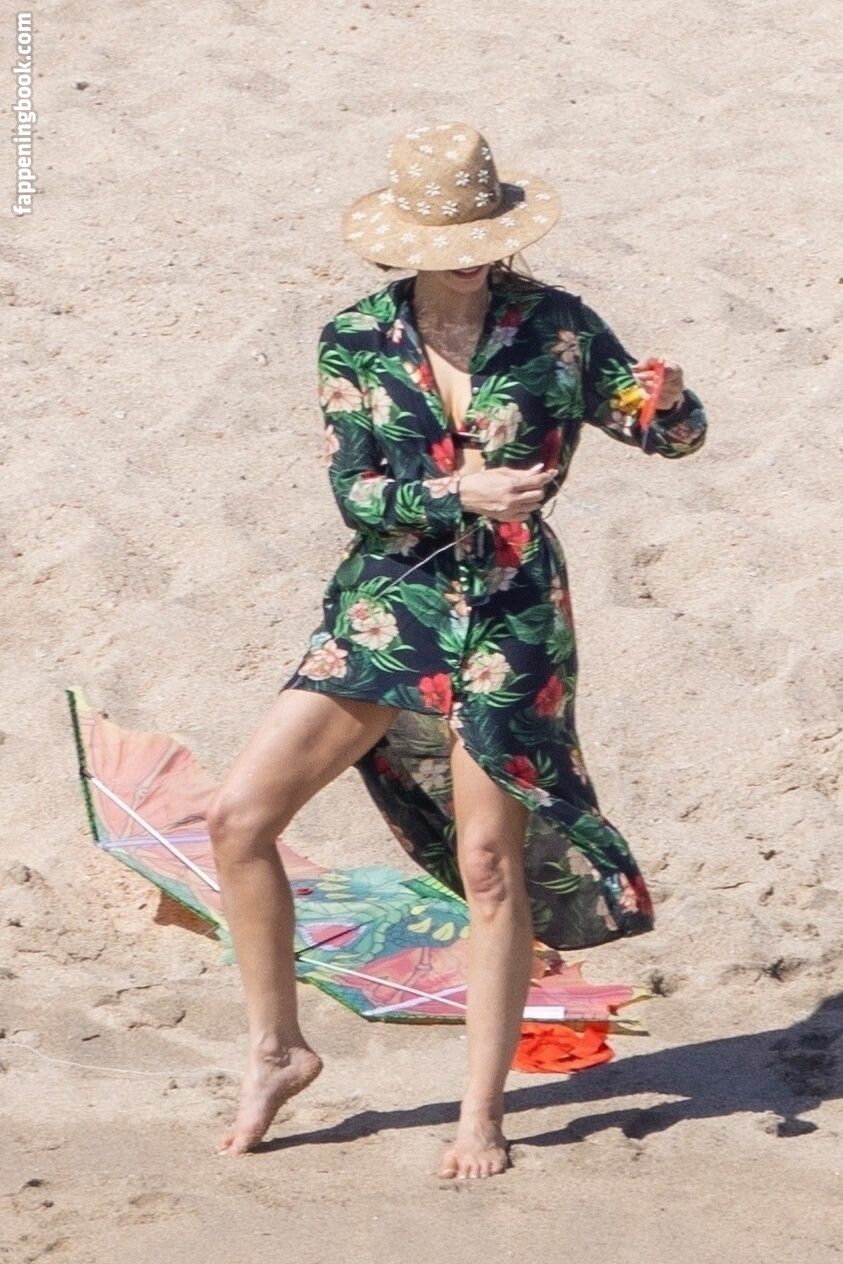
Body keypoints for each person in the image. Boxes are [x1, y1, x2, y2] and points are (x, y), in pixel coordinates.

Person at [207, 121, 708, 1179]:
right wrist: (458, 490)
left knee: (488, 862)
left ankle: (481, 1113)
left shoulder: (558, 327)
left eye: (484, 236)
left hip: (513, 613)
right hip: (390, 605)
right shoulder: (355, 337)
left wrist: (665, 402)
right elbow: (358, 494)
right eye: (451, 240)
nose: (472, 255)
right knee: (239, 816)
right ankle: (279, 1050)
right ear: (408, 241)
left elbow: (663, 431)